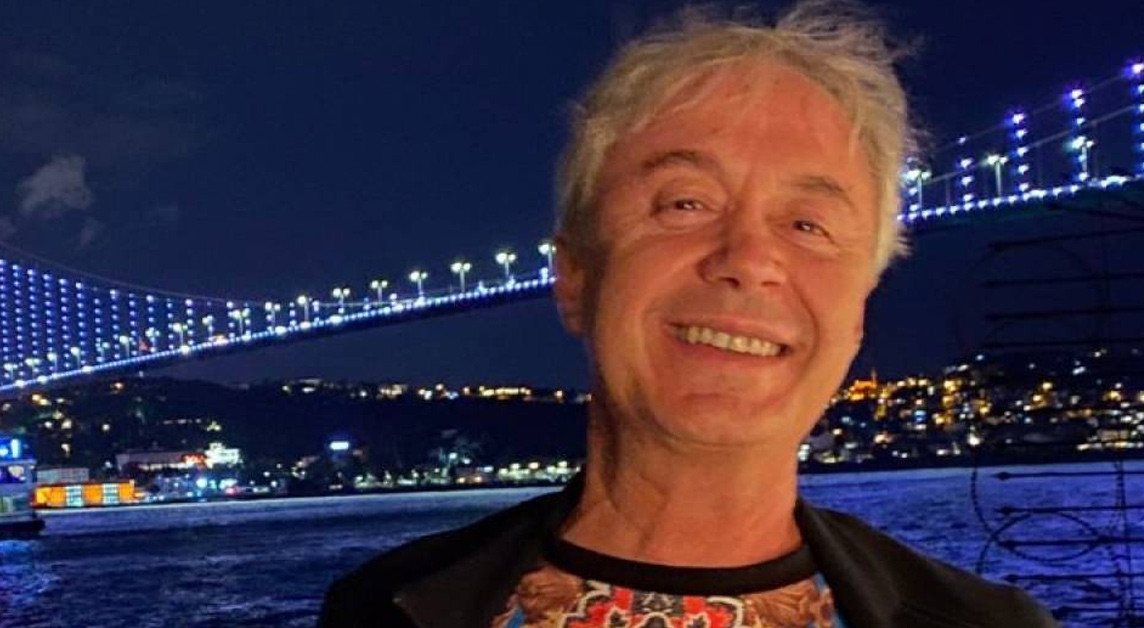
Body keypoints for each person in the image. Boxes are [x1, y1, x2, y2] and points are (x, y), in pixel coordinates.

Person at [319, 2, 1060, 626]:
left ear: (857, 312)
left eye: (808, 224)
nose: (748, 258)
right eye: (684, 204)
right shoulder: (380, 611)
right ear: (574, 276)